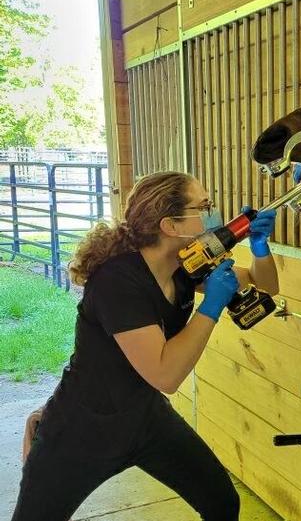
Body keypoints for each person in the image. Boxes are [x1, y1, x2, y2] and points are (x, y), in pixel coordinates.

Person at [12, 171, 279, 521]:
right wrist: (211, 306)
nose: (213, 215)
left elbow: (267, 285)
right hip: (82, 428)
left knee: (222, 502)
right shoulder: (117, 281)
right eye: (204, 206)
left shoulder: (185, 265)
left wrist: (259, 247)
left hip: (144, 418)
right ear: (170, 225)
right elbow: (166, 374)